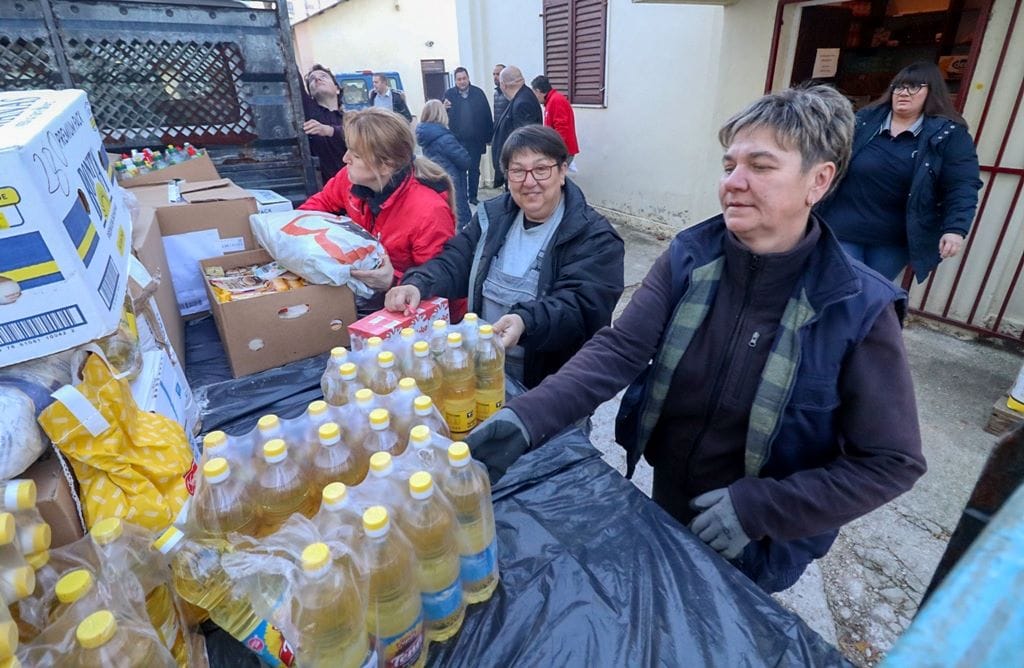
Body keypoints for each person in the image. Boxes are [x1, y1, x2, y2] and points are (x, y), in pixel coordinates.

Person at [467, 86, 927, 594]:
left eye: (761, 166)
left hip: (764, 534)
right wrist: (524, 419)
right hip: (672, 488)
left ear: (819, 180)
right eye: (729, 165)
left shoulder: (858, 306)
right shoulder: (692, 255)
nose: (734, 182)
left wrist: (760, 509)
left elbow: (891, 462)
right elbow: (620, 349)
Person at [385, 125, 624, 389]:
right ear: (507, 177)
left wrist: (525, 322)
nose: (529, 181)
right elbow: (457, 259)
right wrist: (418, 282)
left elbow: (580, 306)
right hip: (485, 369)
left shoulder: (595, 237)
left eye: (541, 169)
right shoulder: (492, 217)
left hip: (554, 385)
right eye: (518, 171)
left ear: (563, 171)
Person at [818, 61, 982, 281]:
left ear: (931, 91)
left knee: (873, 293)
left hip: (895, 238)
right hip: (843, 227)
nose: (904, 93)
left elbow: (962, 184)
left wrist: (955, 228)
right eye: (898, 86)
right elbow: (825, 159)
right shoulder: (863, 122)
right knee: (843, 287)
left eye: (914, 87)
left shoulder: (949, 135)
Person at [298, 108, 455, 308]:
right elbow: (318, 205)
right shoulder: (349, 179)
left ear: (385, 166)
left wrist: (392, 280)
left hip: (413, 311)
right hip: (369, 298)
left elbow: (439, 279)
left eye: (355, 154)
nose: (345, 159)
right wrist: (298, 232)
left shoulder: (427, 211)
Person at [417, 100, 472, 227]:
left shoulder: (424, 135)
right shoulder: (445, 138)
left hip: (435, 180)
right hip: (452, 182)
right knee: (460, 218)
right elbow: (465, 161)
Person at [444, 67, 493, 205]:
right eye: (459, 79)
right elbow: (441, 116)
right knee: (458, 169)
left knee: (473, 169)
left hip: (475, 140)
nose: (462, 82)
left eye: (464, 78)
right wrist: (443, 108)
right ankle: (460, 196)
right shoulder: (449, 95)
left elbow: (487, 115)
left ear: (468, 78)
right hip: (456, 140)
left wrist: (489, 136)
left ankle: (472, 196)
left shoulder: (478, 93)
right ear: (455, 81)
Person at [491, 66, 543, 189]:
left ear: (503, 85)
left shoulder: (522, 103)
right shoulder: (522, 97)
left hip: (519, 170)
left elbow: (524, 141)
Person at [300, 64, 347, 182]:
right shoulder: (309, 111)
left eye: (323, 76)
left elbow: (363, 136)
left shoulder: (352, 118)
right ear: (310, 93)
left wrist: (328, 130)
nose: (317, 79)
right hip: (326, 191)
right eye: (312, 79)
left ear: (337, 89)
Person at [531, 75, 579, 164]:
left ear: (538, 91)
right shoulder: (551, 101)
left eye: (534, 94)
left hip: (561, 150)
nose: (535, 98)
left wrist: (555, 150)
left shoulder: (556, 100)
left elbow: (562, 129)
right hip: (558, 149)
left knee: (556, 176)